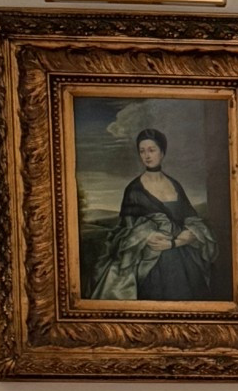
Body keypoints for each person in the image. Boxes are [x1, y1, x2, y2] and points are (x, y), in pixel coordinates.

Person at [86, 126, 218, 302]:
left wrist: (183, 239)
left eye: (151, 150)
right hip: (150, 261)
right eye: (142, 151)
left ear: (162, 152)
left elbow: (192, 219)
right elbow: (124, 231)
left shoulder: (175, 185)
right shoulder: (134, 190)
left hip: (184, 257)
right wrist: (145, 236)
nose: (147, 155)